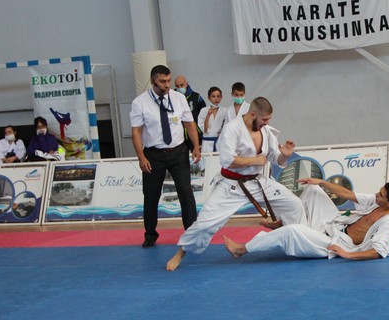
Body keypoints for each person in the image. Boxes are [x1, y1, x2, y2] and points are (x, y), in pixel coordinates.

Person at [165, 96, 307, 271]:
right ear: (253, 114)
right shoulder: (232, 129)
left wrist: (284, 155)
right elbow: (227, 160)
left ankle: (298, 244)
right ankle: (180, 253)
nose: (267, 123)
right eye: (264, 119)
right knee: (203, 225)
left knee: (294, 204)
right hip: (230, 185)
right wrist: (254, 160)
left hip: (257, 182)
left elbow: (273, 158)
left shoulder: (265, 131)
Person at [223, 177, 389, 260]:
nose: (376, 195)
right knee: (314, 190)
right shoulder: (376, 202)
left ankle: (242, 249)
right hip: (334, 225)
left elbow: (378, 251)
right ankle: (283, 222)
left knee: (292, 231)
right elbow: (348, 194)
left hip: (336, 242)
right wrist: (322, 182)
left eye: (381, 195)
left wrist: (348, 254)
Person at [131, 65, 201, 248]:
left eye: (169, 81)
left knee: (185, 192)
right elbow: (136, 131)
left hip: (178, 151)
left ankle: (191, 232)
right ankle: (150, 234)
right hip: (153, 154)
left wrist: (196, 146)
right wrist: (141, 157)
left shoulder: (179, 98)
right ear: (153, 81)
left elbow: (190, 124)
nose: (167, 85)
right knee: (151, 195)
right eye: (163, 81)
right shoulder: (140, 102)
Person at [197, 86, 229, 152]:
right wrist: (208, 116)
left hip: (219, 142)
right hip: (207, 143)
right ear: (209, 98)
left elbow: (227, 126)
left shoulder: (225, 111)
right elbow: (204, 130)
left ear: (221, 97)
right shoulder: (204, 110)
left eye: (218, 96)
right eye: (213, 96)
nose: (216, 98)